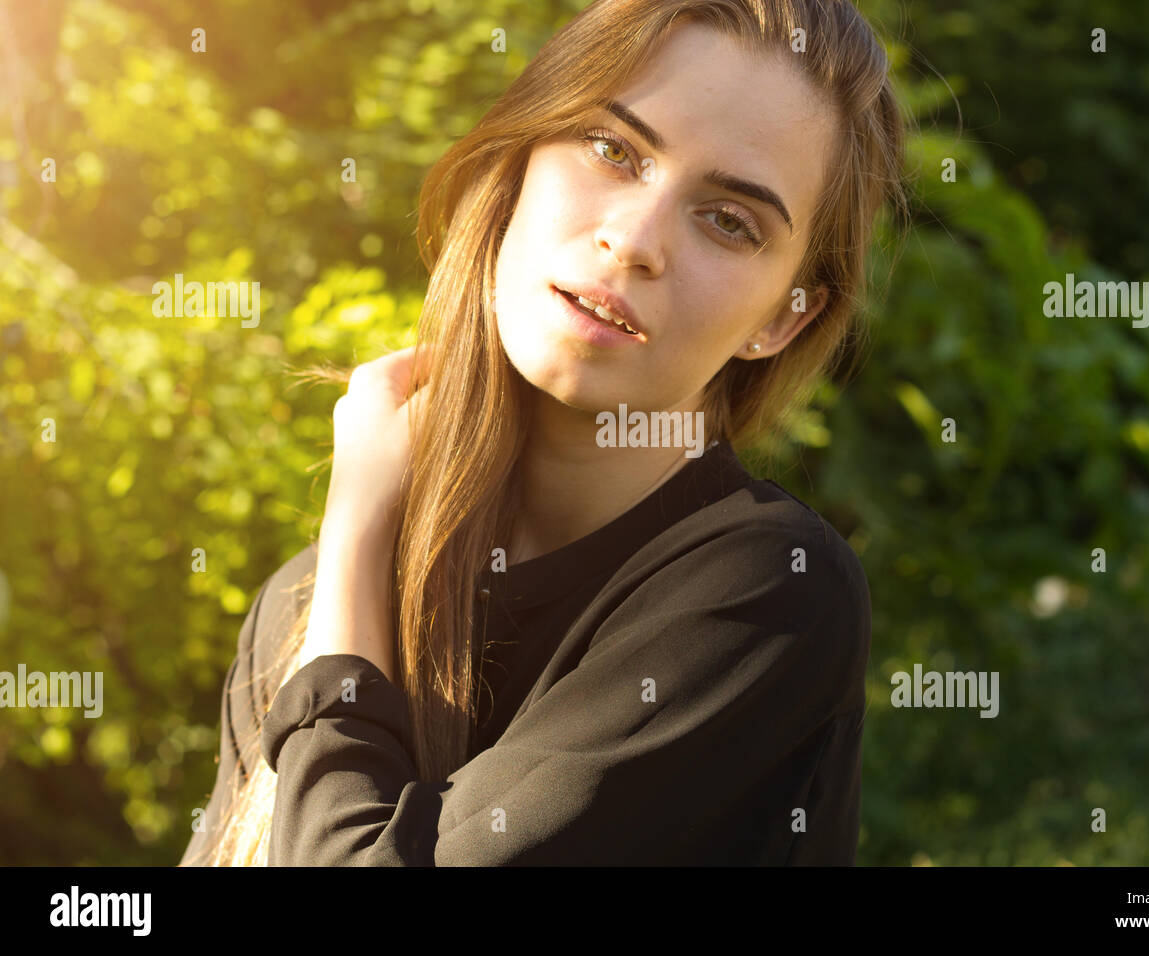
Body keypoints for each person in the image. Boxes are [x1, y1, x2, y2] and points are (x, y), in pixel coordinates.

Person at [181, 0, 908, 866]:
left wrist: (356, 531)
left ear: (783, 321)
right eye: (612, 150)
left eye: (728, 221)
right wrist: (353, 566)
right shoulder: (306, 606)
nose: (632, 241)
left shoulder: (770, 592)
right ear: (521, 156)